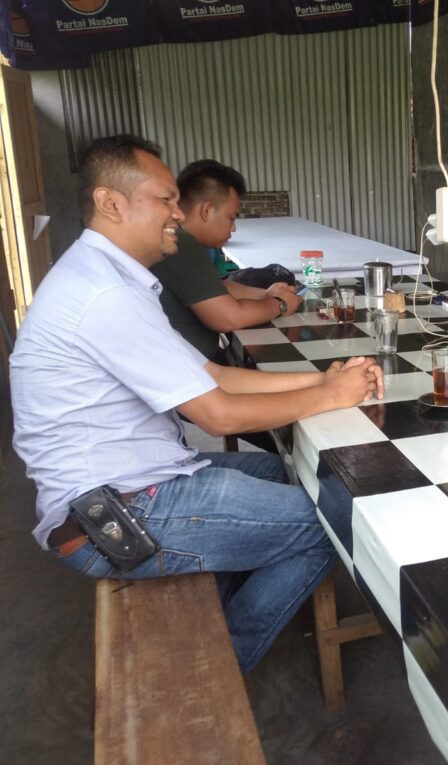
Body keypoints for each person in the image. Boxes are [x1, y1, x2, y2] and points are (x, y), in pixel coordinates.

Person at [9, 134, 384, 673]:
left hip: (136, 482)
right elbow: (216, 414)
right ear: (111, 203)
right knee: (336, 520)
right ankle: (214, 668)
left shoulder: (109, 277)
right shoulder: (104, 293)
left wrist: (322, 379)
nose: (179, 215)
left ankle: (219, 610)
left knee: (286, 470)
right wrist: (329, 396)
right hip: (118, 513)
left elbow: (211, 375)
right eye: (165, 200)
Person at [150, 159, 303, 364]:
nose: (233, 228)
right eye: (231, 218)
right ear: (206, 211)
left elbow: (216, 287)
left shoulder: (182, 242)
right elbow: (228, 318)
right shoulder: (180, 243)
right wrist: (280, 305)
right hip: (196, 367)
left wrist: (266, 294)